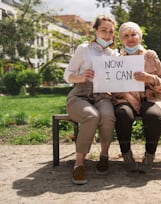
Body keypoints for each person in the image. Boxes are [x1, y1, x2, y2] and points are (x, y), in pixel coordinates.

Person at [63, 15, 118, 185]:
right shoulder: (84, 48)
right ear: (95, 31)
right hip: (80, 94)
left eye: (111, 32)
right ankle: (79, 164)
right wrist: (81, 77)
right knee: (91, 116)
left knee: (108, 116)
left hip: (102, 95)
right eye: (103, 30)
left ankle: (104, 156)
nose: (107, 35)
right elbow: (67, 74)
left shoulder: (114, 54)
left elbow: (118, 78)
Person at [112, 21, 161, 173]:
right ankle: (126, 154)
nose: (130, 38)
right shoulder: (116, 60)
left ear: (140, 37)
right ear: (121, 39)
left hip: (150, 99)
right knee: (122, 114)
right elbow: (113, 88)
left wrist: (150, 78)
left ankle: (149, 155)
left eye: (133, 34)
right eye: (126, 36)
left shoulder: (150, 56)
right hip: (126, 100)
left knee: (153, 116)